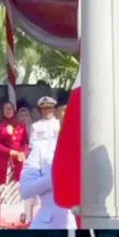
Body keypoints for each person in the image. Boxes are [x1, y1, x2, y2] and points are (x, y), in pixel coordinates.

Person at [20, 97, 76, 229]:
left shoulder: (86, 150)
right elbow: (25, 190)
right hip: (49, 221)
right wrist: (54, 178)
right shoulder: (41, 147)